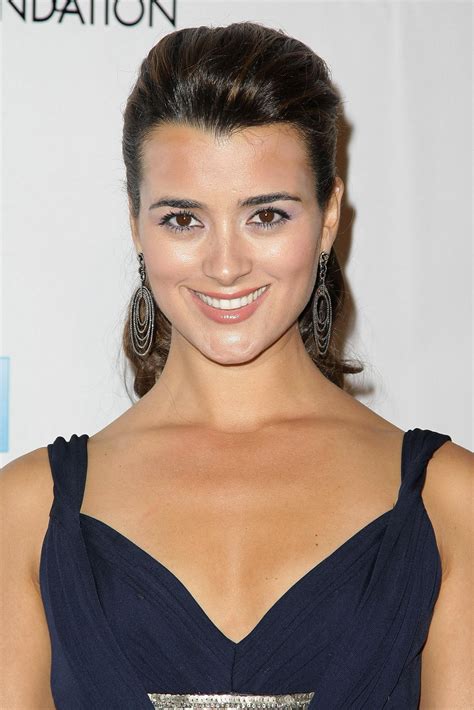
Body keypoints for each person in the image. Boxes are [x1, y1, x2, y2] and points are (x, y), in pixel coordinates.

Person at [1, 21, 472, 710]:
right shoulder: (23, 515)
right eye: (183, 220)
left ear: (329, 217)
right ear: (136, 224)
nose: (225, 265)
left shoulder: (453, 506)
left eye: (267, 216)